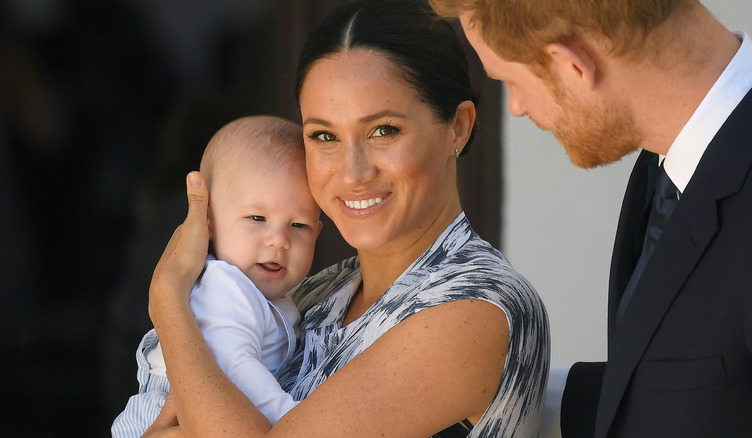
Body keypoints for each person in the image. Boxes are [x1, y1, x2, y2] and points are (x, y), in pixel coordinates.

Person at [141, 0, 550, 437]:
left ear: (458, 127)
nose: (353, 173)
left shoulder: (478, 306)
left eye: (383, 130)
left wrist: (168, 300)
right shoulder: (318, 293)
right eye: (324, 136)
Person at [428, 0, 752, 436]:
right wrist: (496, 387)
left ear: (574, 67)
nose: (516, 107)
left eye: (510, 81)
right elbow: (705, 391)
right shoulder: (674, 160)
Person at [111, 115, 323, 437]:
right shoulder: (225, 287)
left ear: (317, 234)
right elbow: (234, 368)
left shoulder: (267, 295)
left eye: (299, 225)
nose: (279, 240)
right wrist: (294, 421)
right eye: (257, 217)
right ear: (208, 222)